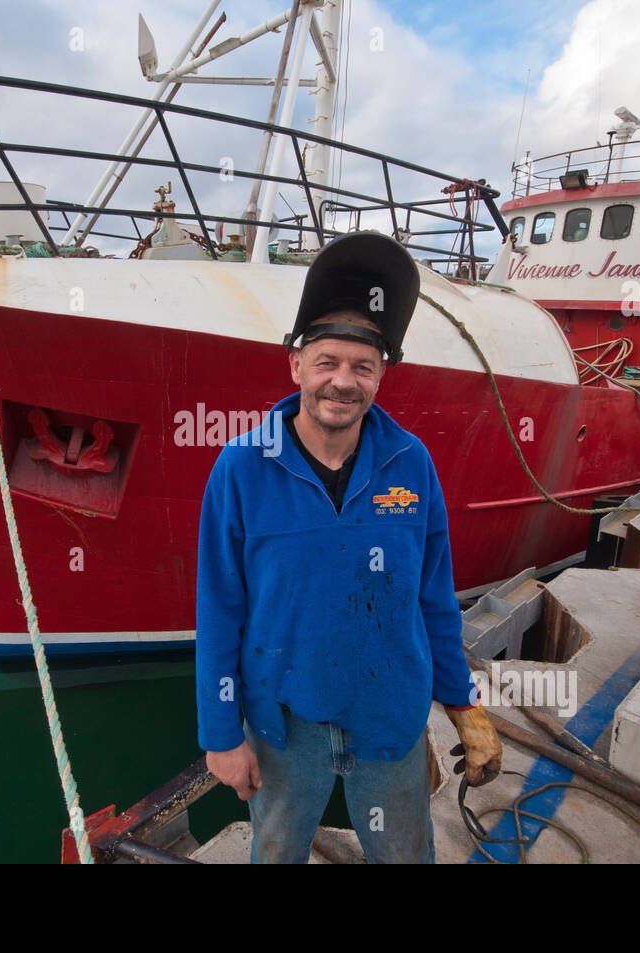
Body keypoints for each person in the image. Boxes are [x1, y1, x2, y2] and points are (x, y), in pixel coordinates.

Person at [194, 230, 502, 864]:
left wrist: (464, 705)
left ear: (381, 375)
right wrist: (221, 735)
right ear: (296, 366)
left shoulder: (411, 464)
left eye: (362, 367)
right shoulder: (242, 467)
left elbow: (434, 600)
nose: (343, 381)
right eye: (327, 362)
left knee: (404, 853)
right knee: (276, 850)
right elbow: (219, 609)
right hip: (284, 720)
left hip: (389, 712)